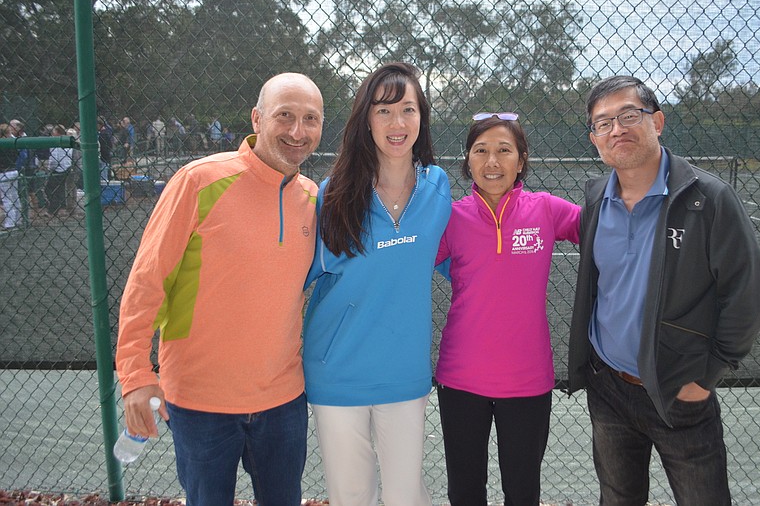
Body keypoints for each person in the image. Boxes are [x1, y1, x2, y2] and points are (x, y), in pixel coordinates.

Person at [116, 73, 324, 506]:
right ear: (257, 118)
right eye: (285, 116)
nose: (297, 131)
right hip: (199, 402)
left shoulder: (312, 197)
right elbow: (147, 282)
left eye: (310, 119)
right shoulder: (199, 180)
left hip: (283, 400)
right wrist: (135, 374)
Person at [567, 75, 760, 505]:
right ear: (594, 139)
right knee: (618, 498)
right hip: (608, 387)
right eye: (603, 123)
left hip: (679, 390)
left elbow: (746, 296)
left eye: (628, 115)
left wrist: (704, 377)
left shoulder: (709, 199)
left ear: (657, 121)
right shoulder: (595, 199)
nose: (616, 129)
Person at [302, 62, 451, 506]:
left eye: (407, 109)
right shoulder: (332, 193)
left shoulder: (438, 187)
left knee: (406, 496)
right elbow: (294, 278)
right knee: (351, 496)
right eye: (383, 111)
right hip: (337, 373)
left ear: (421, 118)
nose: (397, 123)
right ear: (366, 119)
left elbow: (462, 259)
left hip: (404, 374)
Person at [433, 112, 581, 505]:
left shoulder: (546, 209)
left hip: (528, 380)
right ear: (468, 161)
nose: (492, 162)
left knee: (522, 491)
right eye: (480, 151)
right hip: (461, 379)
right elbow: (408, 262)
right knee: (465, 492)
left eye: (503, 150)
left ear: (522, 159)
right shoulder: (450, 218)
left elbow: (603, 230)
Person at [45, 124, 73, 216]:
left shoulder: (56, 142)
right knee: (60, 189)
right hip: (66, 168)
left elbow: (54, 159)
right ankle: (61, 207)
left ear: (57, 132)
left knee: (49, 189)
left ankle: (52, 210)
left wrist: (49, 168)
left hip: (58, 169)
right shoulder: (68, 141)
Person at [0, 123, 21, 230]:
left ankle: (10, 223)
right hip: (13, 170)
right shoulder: (12, 142)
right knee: (14, 196)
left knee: (7, 198)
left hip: (4, 172)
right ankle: (18, 220)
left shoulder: (2, 144)